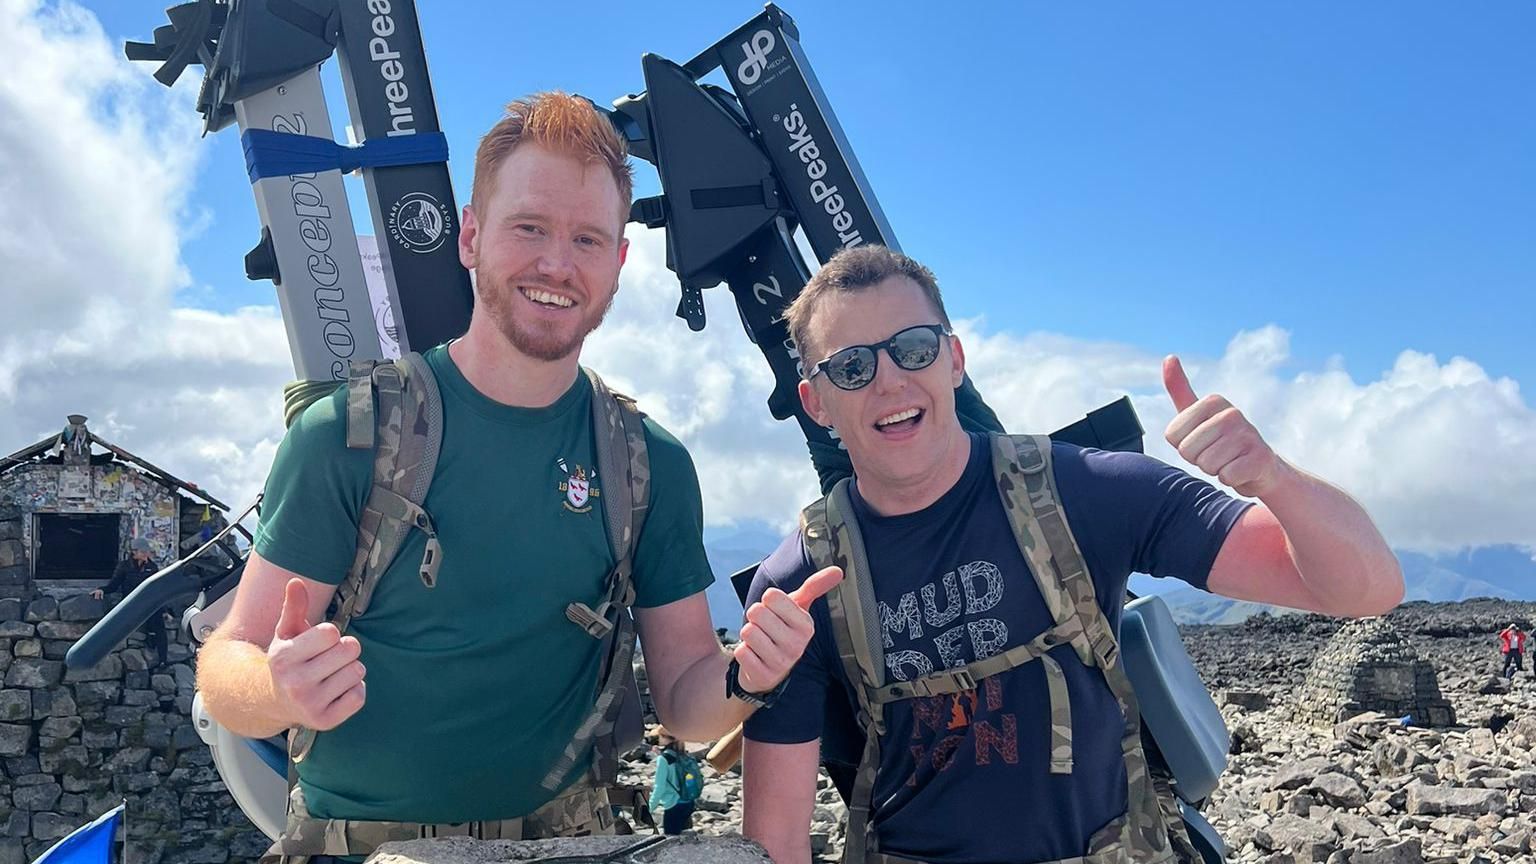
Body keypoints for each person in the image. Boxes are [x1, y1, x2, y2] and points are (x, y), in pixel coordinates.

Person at [194, 93, 838, 863]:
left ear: (620, 264)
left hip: (565, 846)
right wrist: (274, 689)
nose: (557, 265)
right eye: (529, 227)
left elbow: (687, 701)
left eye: (588, 239)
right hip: (355, 849)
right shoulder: (348, 439)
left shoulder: (647, 463)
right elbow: (226, 662)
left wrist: (746, 673)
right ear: (471, 235)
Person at [740, 245, 1405, 864]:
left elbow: (1366, 589)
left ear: (954, 359)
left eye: (913, 349)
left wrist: (1274, 481)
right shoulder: (799, 584)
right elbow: (776, 839)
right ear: (815, 401)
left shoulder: (1088, 492)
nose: (889, 382)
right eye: (852, 366)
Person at [93, 538, 170, 667]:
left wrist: (165, 611)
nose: (146, 554)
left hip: (148, 603)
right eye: (142, 551)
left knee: (159, 625)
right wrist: (102, 590)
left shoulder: (152, 567)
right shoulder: (124, 566)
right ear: (134, 552)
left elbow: (157, 590)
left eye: (147, 551)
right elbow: (114, 585)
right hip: (131, 603)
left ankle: (163, 660)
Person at [648, 727, 702, 835]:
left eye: (660, 736)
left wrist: (650, 807)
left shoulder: (663, 759)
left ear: (665, 739)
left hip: (673, 805)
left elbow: (659, 787)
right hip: (688, 802)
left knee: (671, 840)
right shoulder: (684, 754)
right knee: (685, 841)